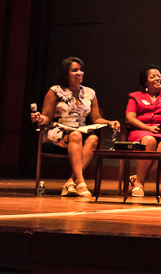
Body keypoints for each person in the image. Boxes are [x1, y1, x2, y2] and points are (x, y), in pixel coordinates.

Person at [31, 57, 120, 197]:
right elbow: (46, 116)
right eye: (75, 70)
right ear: (65, 74)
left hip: (80, 130)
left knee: (93, 140)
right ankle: (81, 182)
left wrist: (109, 122)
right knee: (75, 135)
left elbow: (96, 118)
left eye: (81, 70)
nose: (80, 73)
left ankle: (71, 181)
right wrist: (40, 118)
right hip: (58, 130)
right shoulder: (55, 91)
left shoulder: (90, 93)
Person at [125, 64, 161, 197]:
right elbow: (130, 117)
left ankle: (138, 179)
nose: (157, 79)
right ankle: (139, 184)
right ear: (145, 81)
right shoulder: (135, 96)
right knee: (149, 140)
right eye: (153, 76)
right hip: (141, 131)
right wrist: (147, 128)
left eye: (159, 76)